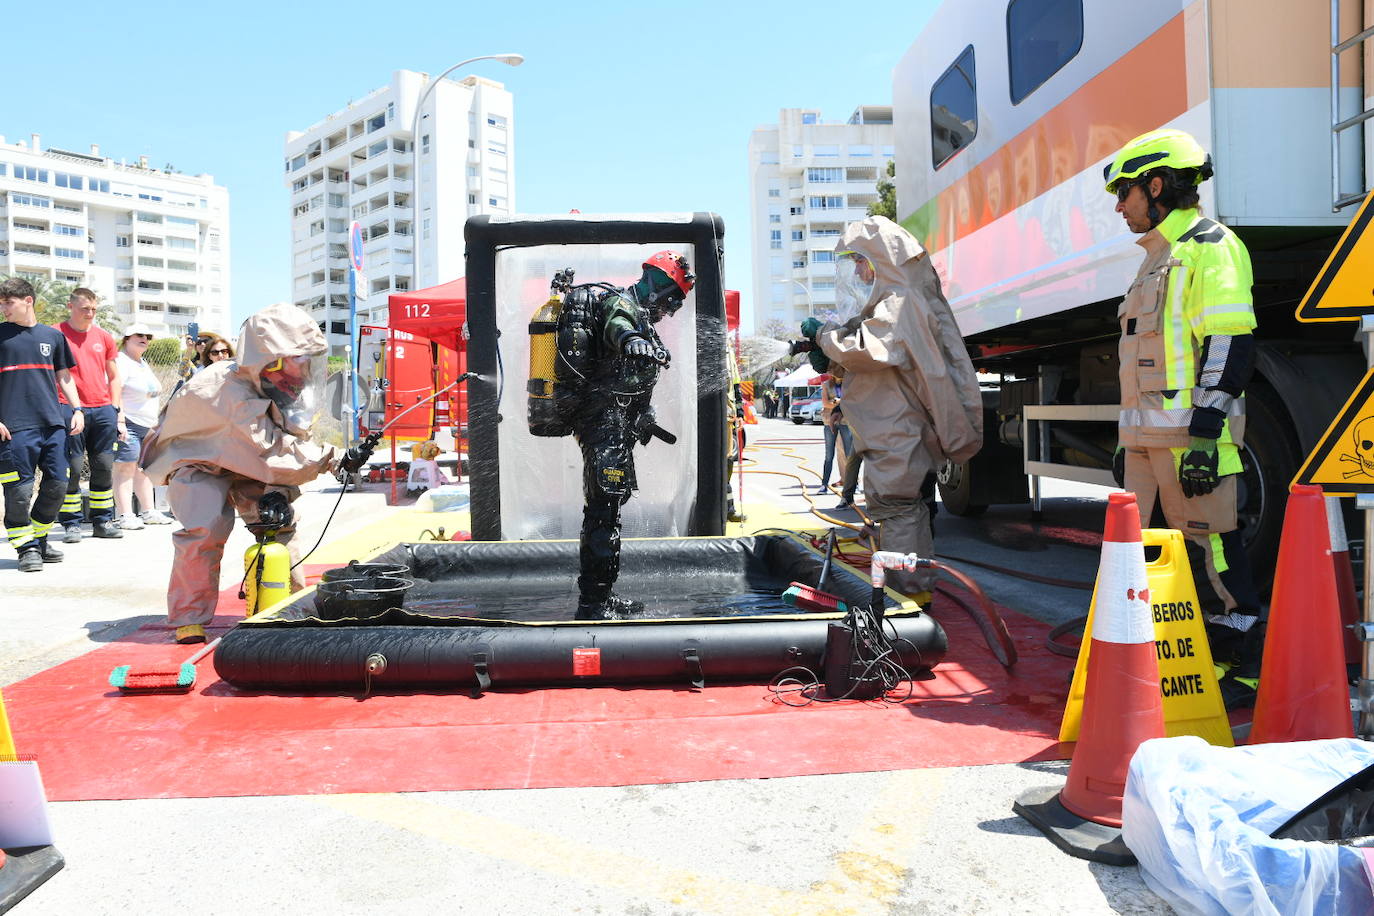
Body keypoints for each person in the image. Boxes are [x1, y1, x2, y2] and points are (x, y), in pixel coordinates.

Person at [1104, 128, 1263, 701]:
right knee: (1150, 562)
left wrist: (1204, 433)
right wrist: (1128, 446)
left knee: (1215, 552)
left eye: (1125, 193)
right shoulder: (1155, 261)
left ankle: (1241, 667)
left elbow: (1227, 344)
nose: (1119, 207)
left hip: (1194, 442)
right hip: (1148, 447)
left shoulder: (1210, 247)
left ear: (1157, 184)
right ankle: (1175, 657)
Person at [793, 215, 982, 598]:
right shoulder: (893, 302)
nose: (859, 270)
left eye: (862, 260)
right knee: (892, 510)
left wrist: (824, 336)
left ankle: (909, 600)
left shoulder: (902, 301)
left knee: (898, 509)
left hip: (900, 432)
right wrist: (830, 362)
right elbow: (879, 361)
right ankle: (898, 594)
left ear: (882, 258)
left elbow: (867, 348)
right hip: (891, 431)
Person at [142, 302, 338, 643]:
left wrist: (323, 458)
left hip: (248, 455)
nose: (305, 364)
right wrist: (330, 459)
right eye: (298, 355)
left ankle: (292, 604)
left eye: (309, 356)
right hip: (197, 459)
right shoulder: (226, 389)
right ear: (270, 356)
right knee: (204, 529)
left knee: (277, 522)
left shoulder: (281, 381)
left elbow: (290, 436)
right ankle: (189, 618)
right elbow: (271, 455)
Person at [552, 251, 694, 620]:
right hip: (603, 428)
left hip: (614, 427)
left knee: (608, 512)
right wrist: (630, 338)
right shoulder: (622, 305)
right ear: (657, 282)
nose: (671, 309)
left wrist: (642, 417)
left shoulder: (643, 317)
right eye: (671, 299)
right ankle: (593, 606)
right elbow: (617, 326)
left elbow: (627, 380)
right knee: (602, 514)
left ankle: (602, 596)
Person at [0, 277, 85, 572]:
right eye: (2, 303)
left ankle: (39, 538)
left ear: (28, 301)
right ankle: (25, 548)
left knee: (59, 485)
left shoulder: (52, 336)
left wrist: (77, 409)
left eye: (8, 302)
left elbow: (64, 376)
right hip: (13, 428)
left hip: (52, 423)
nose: (3, 308)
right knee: (19, 491)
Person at [56, 288, 124, 542]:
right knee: (72, 468)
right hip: (68, 408)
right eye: (85, 309)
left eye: (94, 309)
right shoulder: (55, 333)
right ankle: (71, 523)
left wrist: (115, 409)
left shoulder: (104, 337)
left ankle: (102, 520)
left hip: (103, 409)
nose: (90, 314)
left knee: (104, 467)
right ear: (70, 306)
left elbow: (115, 376)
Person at [111, 324, 171, 530]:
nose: (144, 338)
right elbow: (114, 389)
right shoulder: (121, 361)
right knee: (125, 467)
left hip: (147, 425)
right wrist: (119, 420)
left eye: (148, 336)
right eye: (139, 334)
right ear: (127, 337)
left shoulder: (142, 363)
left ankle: (148, 511)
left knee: (143, 469)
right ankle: (125, 514)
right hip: (128, 423)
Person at [816, 367, 854, 495]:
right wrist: (840, 403)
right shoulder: (826, 385)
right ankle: (824, 485)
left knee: (849, 454)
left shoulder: (849, 385)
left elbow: (853, 401)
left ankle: (853, 484)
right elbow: (825, 403)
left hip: (846, 421)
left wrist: (839, 402)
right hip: (829, 422)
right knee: (829, 455)